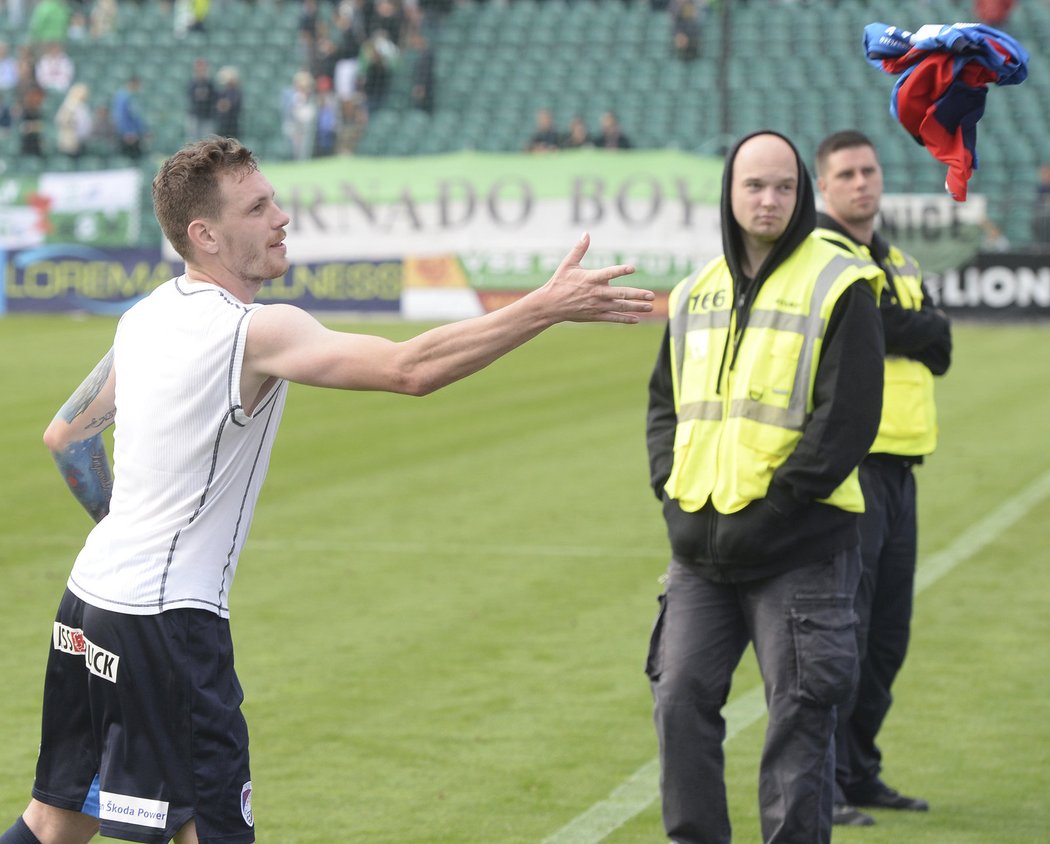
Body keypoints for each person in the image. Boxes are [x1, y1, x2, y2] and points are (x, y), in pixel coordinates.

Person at [0, 135, 653, 844]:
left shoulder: (145, 315)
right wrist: (544, 306)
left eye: (274, 198)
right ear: (205, 234)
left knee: (57, 819)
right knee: (210, 831)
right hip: (167, 624)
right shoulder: (253, 332)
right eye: (257, 207)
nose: (281, 216)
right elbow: (410, 369)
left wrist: (122, 529)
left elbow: (67, 438)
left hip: (88, 604)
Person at [645, 130, 886, 844]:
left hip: (801, 548)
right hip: (700, 548)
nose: (769, 199)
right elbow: (665, 404)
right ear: (729, 191)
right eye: (754, 185)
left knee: (800, 719)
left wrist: (778, 506)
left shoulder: (838, 282)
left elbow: (847, 420)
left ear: (802, 192)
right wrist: (670, 486)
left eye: (784, 186)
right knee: (678, 701)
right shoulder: (696, 291)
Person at [813, 129, 951, 827]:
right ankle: (827, 782)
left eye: (869, 171)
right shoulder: (820, 254)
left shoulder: (897, 257)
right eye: (847, 173)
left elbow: (940, 343)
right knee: (847, 630)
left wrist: (911, 324)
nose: (863, 183)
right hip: (852, 469)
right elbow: (876, 326)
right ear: (824, 185)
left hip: (904, 466)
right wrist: (913, 326)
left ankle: (861, 770)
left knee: (888, 633)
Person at [111, 75, 148, 159]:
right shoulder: (122, 96)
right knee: (128, 158)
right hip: (128, 136)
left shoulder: (133, 96)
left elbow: (136, 116)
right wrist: (127, 132)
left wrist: (142, 130)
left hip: (135, 134)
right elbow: (120, 116)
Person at [54, 81, 92, 158]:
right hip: (71, 140)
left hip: (82, 140)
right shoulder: (70, 104)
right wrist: (72, 123)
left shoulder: (82, 106)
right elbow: (60, 120)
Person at [186, 57, 216, 141]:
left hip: (207, 116)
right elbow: (191, 96)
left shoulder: (209, 83)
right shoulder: (192, 82)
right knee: (193, 140)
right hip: (195, 115)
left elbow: (213, 97)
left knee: (207, 140)